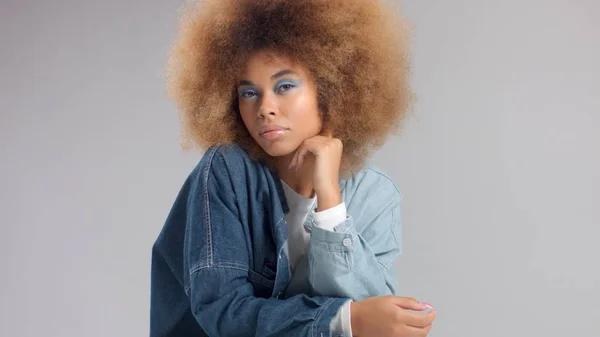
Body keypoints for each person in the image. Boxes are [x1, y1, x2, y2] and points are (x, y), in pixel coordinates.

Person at [150, 0, 437, 336]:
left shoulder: (377, 194)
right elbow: (221, 311)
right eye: (249, 92)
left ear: (330, 88)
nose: (265, 108)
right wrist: (342, 320)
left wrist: (330, 201)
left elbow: (373, 313)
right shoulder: (227, 171)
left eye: (284, 86)